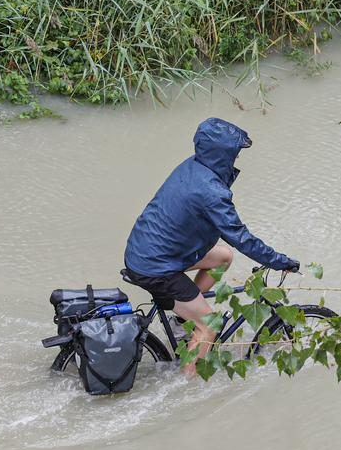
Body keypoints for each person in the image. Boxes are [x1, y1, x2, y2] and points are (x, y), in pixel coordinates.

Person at [123, 117, 300, 376]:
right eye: (234, 154)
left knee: (223, 257)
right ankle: (187, 385)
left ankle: (182, 321)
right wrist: (279, 260)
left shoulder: (193, 166)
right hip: (156, 267)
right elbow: (240, 236)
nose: (236, 159)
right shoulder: (211, 192)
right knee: (210, 324)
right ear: (222, 154)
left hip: (148, 250)